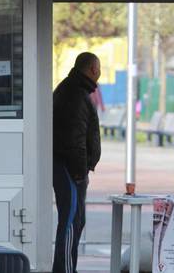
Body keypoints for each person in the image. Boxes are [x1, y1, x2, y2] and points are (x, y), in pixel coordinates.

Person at [52, 52, 101, 273]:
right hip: (69, 168)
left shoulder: (74, 89)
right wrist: (80, 173)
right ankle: (65, 269)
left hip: (70, 167)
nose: (100, 72)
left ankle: (67, 268)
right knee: (71, 221)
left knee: (76, 220)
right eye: (99, 68)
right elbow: (75, 139)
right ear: (92, 69)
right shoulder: (76, 95)